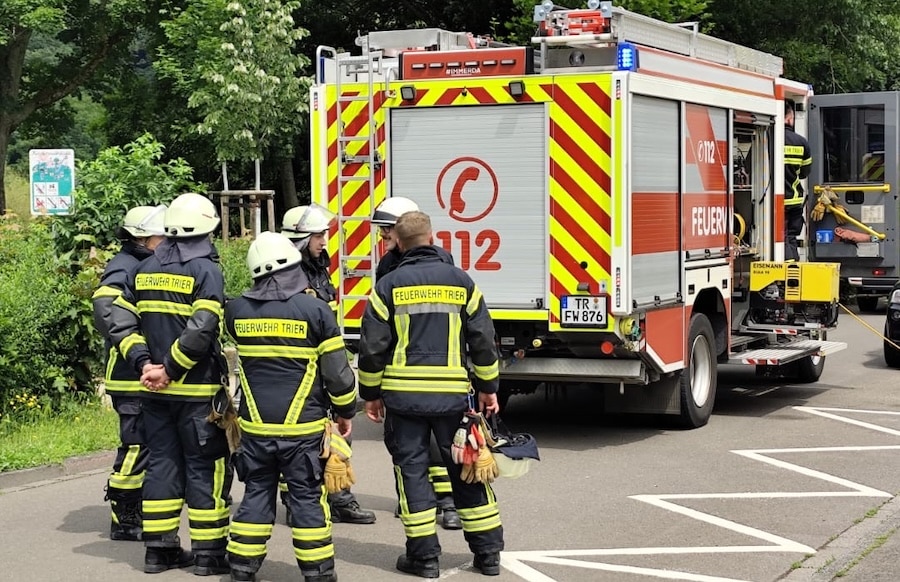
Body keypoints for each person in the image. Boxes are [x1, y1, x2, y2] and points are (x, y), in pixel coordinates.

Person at [358, 211, 505, 578]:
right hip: (452, 398)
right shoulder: (462, 282)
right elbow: (483, 341)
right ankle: (488, 555)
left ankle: (423, 559)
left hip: (403, 399)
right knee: (467, 468)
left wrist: (370, 394)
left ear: (399, 243)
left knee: (412, 473)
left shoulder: (388, 285)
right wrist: (489, 388)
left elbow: (372, 349)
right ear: (431, 237)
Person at [108, 192, 232, 576]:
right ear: (206, 229)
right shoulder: (205, 270)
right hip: (195, 394)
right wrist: (171, 369)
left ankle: (158, 552)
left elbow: (120, 322)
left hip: (153, 393)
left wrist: (145, 365)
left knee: (161, 465)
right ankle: (209, 555)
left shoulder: (144, 270)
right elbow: (202, 329)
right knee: (205, 469)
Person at [224, 232, 357, 582]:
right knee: (307, 501)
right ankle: (318, 575)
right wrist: (345, 413)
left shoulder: (236, 311)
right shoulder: (315, 311)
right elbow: (338, 375)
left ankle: (240, 568)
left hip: (254, 431)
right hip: (303, 432)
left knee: (255, 495)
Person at [280, 204, 377, 526]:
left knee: (338, 434)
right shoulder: (286, 273)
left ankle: (339, 496)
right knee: (297, 441)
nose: (325, 241)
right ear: (300, 238)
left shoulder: (319, 267)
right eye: (319, 235)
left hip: (325, 361)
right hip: (298, 368)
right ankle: (296, 501)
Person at [370, 196, 461, 531]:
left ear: (401, 229)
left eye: (386, 231)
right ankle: (417, 500)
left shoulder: (437, 263)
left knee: (440, 446)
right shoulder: (389, 265)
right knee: (406, 447)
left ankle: (447, 502)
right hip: (408, 369)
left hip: (424, 370)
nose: (382, 239)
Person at [92, 204, 167, 542]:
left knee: (148, 445)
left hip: (142, 372)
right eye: (161, 235)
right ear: (143, 237)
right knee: (136, 446)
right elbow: (105, 308)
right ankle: (124, 514)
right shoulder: (125, 266)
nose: (167, 240)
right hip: (130, 373)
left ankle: (140, 507)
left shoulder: (142, 263)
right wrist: (138, 355)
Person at [783, 99, 813, 262]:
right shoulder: (801, 143)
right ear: (789, 119)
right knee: (791, 237)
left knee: (780, 237)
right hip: (793, 200)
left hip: (770, 203)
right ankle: (791, 270)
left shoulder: (766, 136)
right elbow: (804, 173)